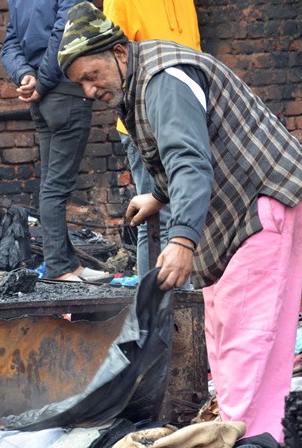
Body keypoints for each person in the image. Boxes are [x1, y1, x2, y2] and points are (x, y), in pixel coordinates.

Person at [57, 2, 302, 441]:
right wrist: (158, 197)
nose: (88, 91)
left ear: (119, 53)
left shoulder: (162, 80)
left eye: (90, 76)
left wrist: (181, 241)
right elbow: (192, 143)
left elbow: (190, 163)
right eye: (80, 83)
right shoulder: (142, 76)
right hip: (255, 204)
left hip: (258, 207)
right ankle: (261, 441)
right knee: (234, 334)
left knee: (245, 339)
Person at [1, 0, 109, 282]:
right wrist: (42, 82)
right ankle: (59, 267)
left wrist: (25, 75)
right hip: (63, 92)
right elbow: (64, 34)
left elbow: (10, 43)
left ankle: (68, 264)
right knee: (56, 187)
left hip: (42, 97)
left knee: (51, 184)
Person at [102, 0, 200, 281]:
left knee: (187, 211)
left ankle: (184, 306)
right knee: (157, 218)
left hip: (185, 121)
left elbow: (193, 56)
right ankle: (155, 311)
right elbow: (112, 63)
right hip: (145, 124)